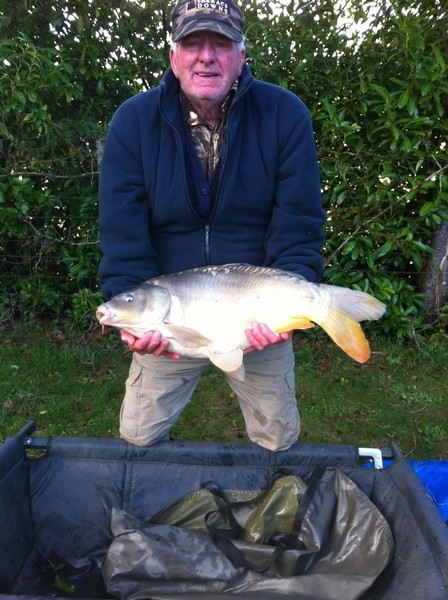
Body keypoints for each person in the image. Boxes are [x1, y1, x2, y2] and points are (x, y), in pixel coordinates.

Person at [98, 0, 325, 451]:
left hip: (255, 311)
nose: (206, 56)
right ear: (173, 57)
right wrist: (128, 300)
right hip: (170, 313)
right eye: (193, 43)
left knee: (277, 441)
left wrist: (287, 304)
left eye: (220, 43)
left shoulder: (284, 114)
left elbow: (298, 223)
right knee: (139, 439)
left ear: (241, 56)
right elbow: (123, 231)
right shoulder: (133, 122)